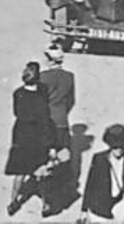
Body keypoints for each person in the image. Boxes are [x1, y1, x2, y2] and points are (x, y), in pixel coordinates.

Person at [5, 62, 57, 217]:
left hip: (22, 137)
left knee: (19, 174)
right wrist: (51, 144)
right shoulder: (43, 92)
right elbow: (46, 118)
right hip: (39, 137)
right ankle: (46, 204)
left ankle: (13, 202)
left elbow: (18, 114)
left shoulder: (18, 93)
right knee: (41, 174)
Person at [39, 45, 75, 215]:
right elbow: (71, 100)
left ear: (49, 59)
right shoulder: (69, 77)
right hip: (62, 122)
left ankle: (47, 201)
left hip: (47, 124)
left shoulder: (43, 77)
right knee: (63, 161)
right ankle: (62, 197)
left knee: (47, 163)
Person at [80, 123, 124, 224]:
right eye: (115, 147)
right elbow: (90, 184)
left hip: (121, 208)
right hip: (101, 209)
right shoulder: (99, 159)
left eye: (121, 147)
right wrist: (84, 210)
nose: (119, 150)